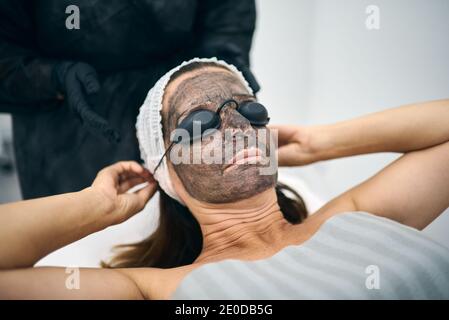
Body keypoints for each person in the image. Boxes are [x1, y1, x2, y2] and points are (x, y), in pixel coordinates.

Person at [0, 59, 448, 299]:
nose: (236, 128)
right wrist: (93, 208)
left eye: (249, 110)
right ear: (166, 169)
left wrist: (321, 142)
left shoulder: (359, 216)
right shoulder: (149, 291)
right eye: (198, 123)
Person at [0, 0, 259, 199]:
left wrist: (224, 63)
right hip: (70, 132)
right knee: (89, 244)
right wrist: (52, 78)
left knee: (186, 235)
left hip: (182, 106)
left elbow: (228, 15)